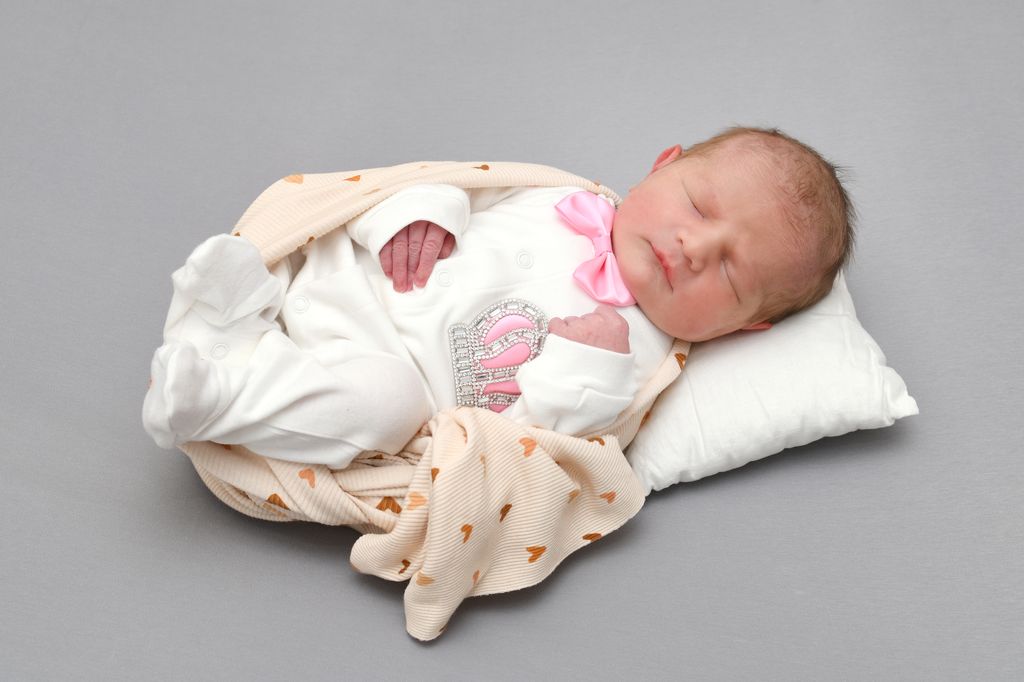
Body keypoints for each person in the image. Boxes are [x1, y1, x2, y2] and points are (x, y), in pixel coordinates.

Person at [142, 127, 854, 468]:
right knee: (344, 234)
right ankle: (239, 310)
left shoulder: (636, 359)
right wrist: (418, 214)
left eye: (730, 272)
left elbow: (542, 448)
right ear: (663, 165)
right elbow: (455, 182)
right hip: (347, 276)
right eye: (697, 205)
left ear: (743, 326)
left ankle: (222, 392)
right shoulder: (559, 196)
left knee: (385, 406)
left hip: (372, 376)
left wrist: (586, 367)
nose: (694, 246)